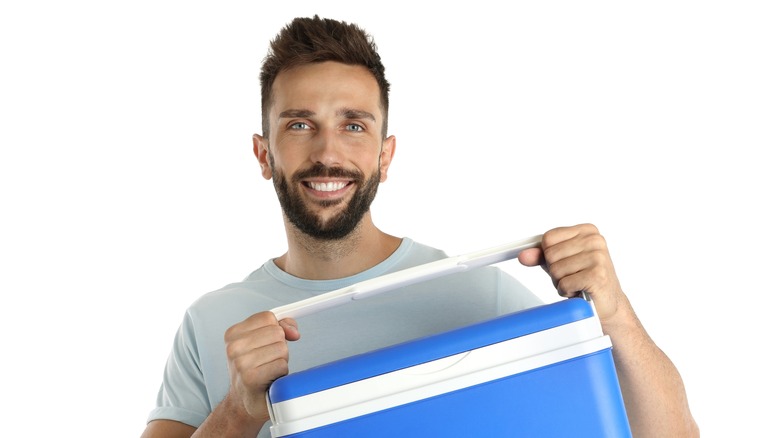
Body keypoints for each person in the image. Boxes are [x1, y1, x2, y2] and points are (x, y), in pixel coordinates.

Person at [141, 15, 699, 438]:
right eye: (300, 124)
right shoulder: (212, 323)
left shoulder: (479, 294)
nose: (328, 151)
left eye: (353, 125)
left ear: (386, 155)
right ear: (264, 154)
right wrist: (239, 410)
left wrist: (616, 312)